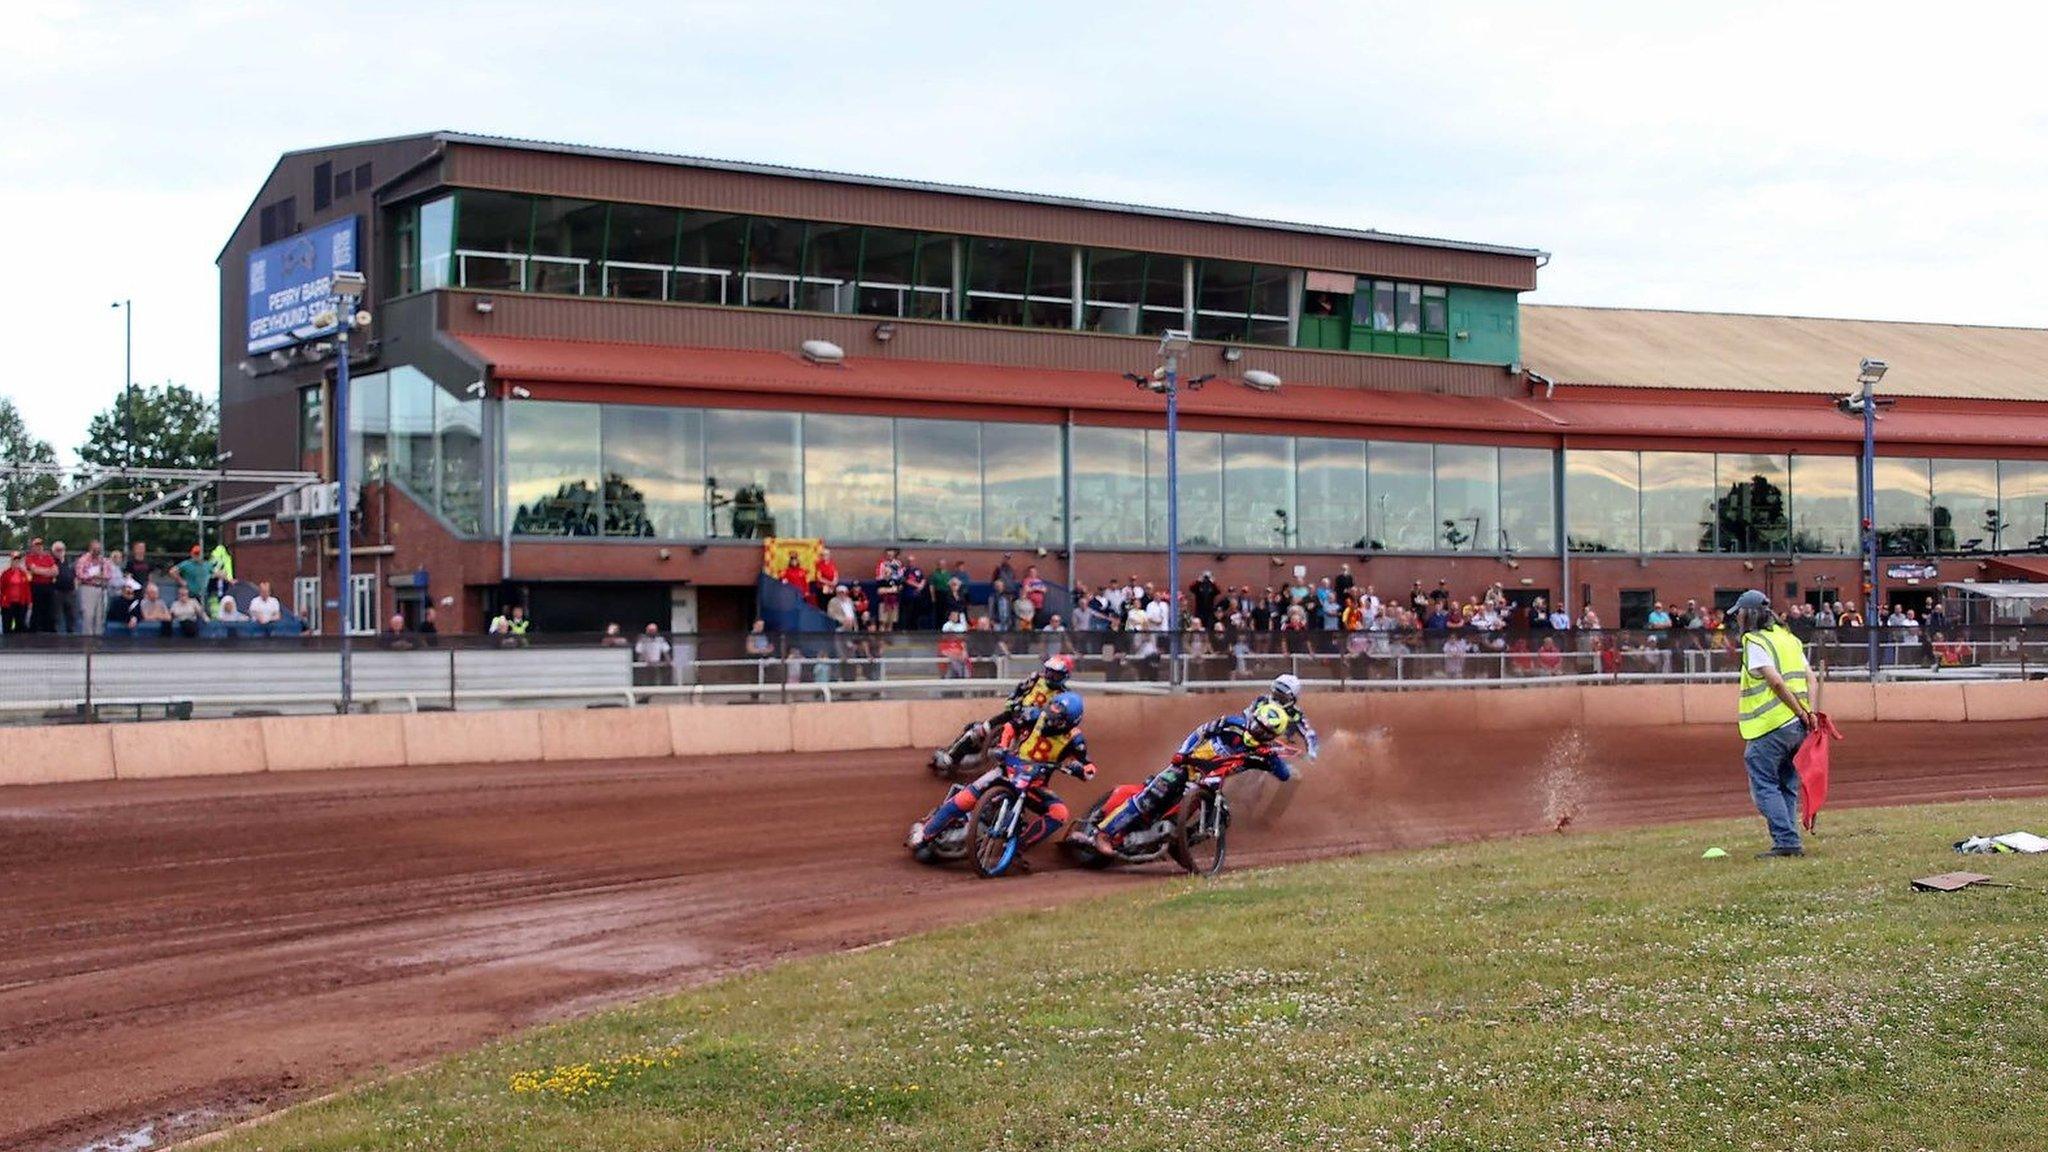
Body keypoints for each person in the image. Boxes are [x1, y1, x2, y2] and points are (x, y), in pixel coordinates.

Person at [1080, 701, 1294, 854]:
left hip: (1209, 782)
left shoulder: (1265, 754)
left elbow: (1284, 775)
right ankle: (1104, 833)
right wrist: (1183, 753)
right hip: (1186, 765)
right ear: (1253, 717)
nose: (1257, 732)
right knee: (1152, 797)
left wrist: (1274, 757)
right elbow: (1200, 732)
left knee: (1220, 816)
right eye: (1257, 724)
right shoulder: (1232, 724)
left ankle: (1173, 843)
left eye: (1264, 732)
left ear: (1272, 736)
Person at [908, 691, 1096, 856]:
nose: (1051, 720)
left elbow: (1088, 767)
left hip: (1035, 784)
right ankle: (926, 833)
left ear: (1070, 722)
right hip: (1007, 770)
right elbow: (1009, 727)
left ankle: (1018, 846)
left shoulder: (1075, 739)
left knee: (1059, 813)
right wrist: (1003, 747)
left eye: (1058, 719)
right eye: (1051, 713)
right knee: (966, 798)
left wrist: (1081, 770)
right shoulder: (1034, 715)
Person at [1731, 589, 1816, 858]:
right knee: (1786, 784)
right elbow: (1811, 678)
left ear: (1748, 615)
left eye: (1738, 615)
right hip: (1798, 728)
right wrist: (1809, 712)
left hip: (1771, 726)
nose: (1736, 620)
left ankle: (1786, 841)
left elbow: (1776, 681)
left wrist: (1800, 712)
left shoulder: (1754, 641)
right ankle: (1789, 838)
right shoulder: (1789, 638)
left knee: (1765, 785)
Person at [931, 653, 1077, 770]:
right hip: (1014, 714)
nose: (1050, 676)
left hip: (1034, 727)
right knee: (975, 729)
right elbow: (1018, 691)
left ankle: (984, 759)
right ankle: (952, 755)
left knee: (1019, 752)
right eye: (1049, 671)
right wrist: (1012, 703)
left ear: (1064, 676)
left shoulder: (1064, 696)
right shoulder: (1036, 678)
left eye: (1055, 674)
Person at [1254, 672, 1320, 760]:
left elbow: (1310, 734)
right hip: (1252, 739)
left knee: (1291, 768)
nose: (1277, 700)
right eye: (1276, 694)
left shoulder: (1295, 714)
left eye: (1281, 697)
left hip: (1277, 749)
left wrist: (1312, 754)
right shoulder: (1261, 701)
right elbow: (1246, 716)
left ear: (1291, 699)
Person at [74, 540, 114, 637]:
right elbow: (80, 574)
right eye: (95, 549)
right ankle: (87, 639)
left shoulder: (103, 560)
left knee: (99, 616)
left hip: (101, 588)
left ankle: (98, 638)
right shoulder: (83, 560)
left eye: (99, 549)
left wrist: (100, 576)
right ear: (90, 549)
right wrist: (92, 575)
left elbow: (108, 574)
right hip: (88, 588)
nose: (97, 551)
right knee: (88, 615)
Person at [24, 538, 59, 632]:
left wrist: (42, 570)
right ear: (32, 547)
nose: (39, 547)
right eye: (36, 545)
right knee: (36, 609)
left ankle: (48, 630)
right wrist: (48, 570)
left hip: (48, 585)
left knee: (49, 609)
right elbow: (34, 570)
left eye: (40, 545)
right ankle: (35, 630)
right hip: (36, 585)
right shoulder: (29, 557)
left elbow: (55, 572)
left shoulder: (48, 557)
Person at [0, 553, 28, 634]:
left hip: (20, 602)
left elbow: (27, 589)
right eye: (14, 560)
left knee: (20, 625)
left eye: (18, 561)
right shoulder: (5, 573)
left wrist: (29, 601)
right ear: (11, 561)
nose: (16, 562)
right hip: (8, 603)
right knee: (7, 625)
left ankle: (18, 644)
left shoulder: (23, 574)